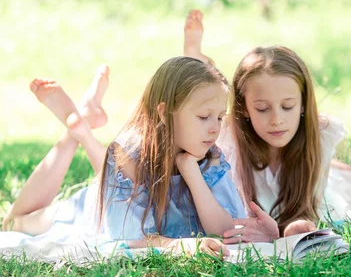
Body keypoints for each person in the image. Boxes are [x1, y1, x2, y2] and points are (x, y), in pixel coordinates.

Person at [2, 57, 248, 257]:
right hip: (91, 212)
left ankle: (82, 124)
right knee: (13, 224)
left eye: (219, 117)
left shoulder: (209, 159)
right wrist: (178, 245)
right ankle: (76, 128)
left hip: (122, 186)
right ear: (164, 112)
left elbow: (229, 232)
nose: (215, 128)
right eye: (204, 117)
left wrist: (191, 173)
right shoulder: (128, 155)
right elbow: (126, 238)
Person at [183, 10, 351, 243]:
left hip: (312, 175)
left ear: (303, 104)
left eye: (288, 106)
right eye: (262, 108)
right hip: (269, 169)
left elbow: (309, 216)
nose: (277, 120)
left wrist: (284, 231)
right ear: (245, 109)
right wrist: (193, 53)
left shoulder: (319, 134)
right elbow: (200, 99)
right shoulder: (230, 134)